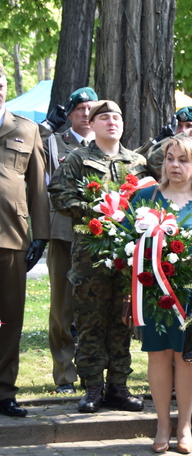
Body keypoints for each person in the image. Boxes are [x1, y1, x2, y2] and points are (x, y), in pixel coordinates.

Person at [49, 100, 148, 414]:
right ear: (92, 124)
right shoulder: (79, 159)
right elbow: (58, 193)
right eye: (103, 117)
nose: (111, 122)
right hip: (91, 254)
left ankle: (118, 385)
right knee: (91, 322)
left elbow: (152, 196)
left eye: (116, 116)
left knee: (122, 320)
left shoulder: (138, 162)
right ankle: (92, 387)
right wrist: (97, 209)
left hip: (128, 255)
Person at [132, 137, 192, 454]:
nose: (174, 165)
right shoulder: (145, 198)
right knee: (158, 354)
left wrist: (186, 257)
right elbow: (129, 243)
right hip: (153, 291)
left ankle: (185, 425)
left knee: (187, 357)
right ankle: (162, 424)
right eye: (170, 158)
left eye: (183, 160)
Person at [39, 86, 98, 395]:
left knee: (93, 308)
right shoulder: (53, 143)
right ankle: (64, 375)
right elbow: (24, 150)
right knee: (62, 309)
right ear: (71, 114)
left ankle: (93, 374)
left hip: (99, 238)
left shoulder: (107, 145)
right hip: (63, 233)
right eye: (80, 110)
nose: (86, 115)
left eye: (91, 109)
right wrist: (47, 125)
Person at [0, 66, 48, 417]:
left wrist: (41, 235)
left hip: (10, 237)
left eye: (0, 83)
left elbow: (39, 188)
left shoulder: (26, 129)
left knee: (8, 317)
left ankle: (3, 391)